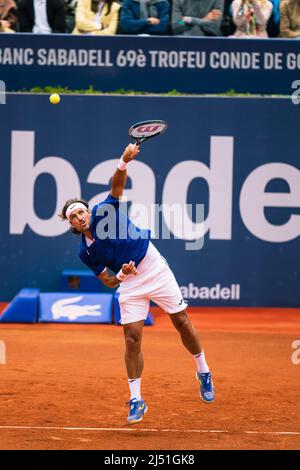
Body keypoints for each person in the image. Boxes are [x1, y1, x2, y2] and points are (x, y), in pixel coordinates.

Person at [59, 143, 215, 425]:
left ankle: (203, 370)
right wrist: (121, 275)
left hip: (153, 266)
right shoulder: (85, 252)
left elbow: (116, 186)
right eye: (74, 217)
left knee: (181, 322)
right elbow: (107, 279)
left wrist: (123, 161)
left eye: (81, 212)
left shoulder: (105, 209)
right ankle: (136, 399)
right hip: (129, 284)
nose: (81, 217)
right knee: (131, 339)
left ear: (88, 211)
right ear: (71, 224)